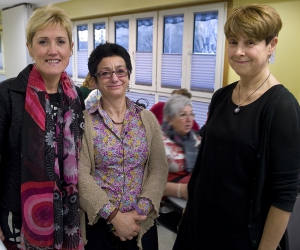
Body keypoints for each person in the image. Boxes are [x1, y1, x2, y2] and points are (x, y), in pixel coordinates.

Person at [173, 4, 300, 250]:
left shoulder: (282, 107)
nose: (238, 51)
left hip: (240, 237)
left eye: (250, 42)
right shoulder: (221, 96)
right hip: (199, 225)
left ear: (271, 45)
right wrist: (187, 218)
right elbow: (205, 169)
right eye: (233, 42)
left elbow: (284, 195)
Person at [0, 5, 85, 250]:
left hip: (69, 215)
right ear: (29, 47)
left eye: (60, 41)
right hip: (18, 214)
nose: (52, 50)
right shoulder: (8, 94)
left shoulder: (75, 96)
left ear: (70, 47)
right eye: (43, 41)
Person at [78, 42, 168, 250]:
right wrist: (115, 216)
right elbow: (81, 174)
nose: (115, 78)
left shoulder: (147, 119)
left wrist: (139, 213)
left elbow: (159, 167)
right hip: (99, 224)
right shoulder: (85, 123)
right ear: (95, 81)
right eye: (105, 73)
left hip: (141, 222)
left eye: (120, 71)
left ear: (128, 75)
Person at [158, 95, 200, 232]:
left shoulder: (194, 137)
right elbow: (149, 184)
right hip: (170, 205)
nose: (189, 119)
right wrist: (182, 190)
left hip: (196, 195)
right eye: (183, 115)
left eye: (191, 114)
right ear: (169, 119)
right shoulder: (158, 142)